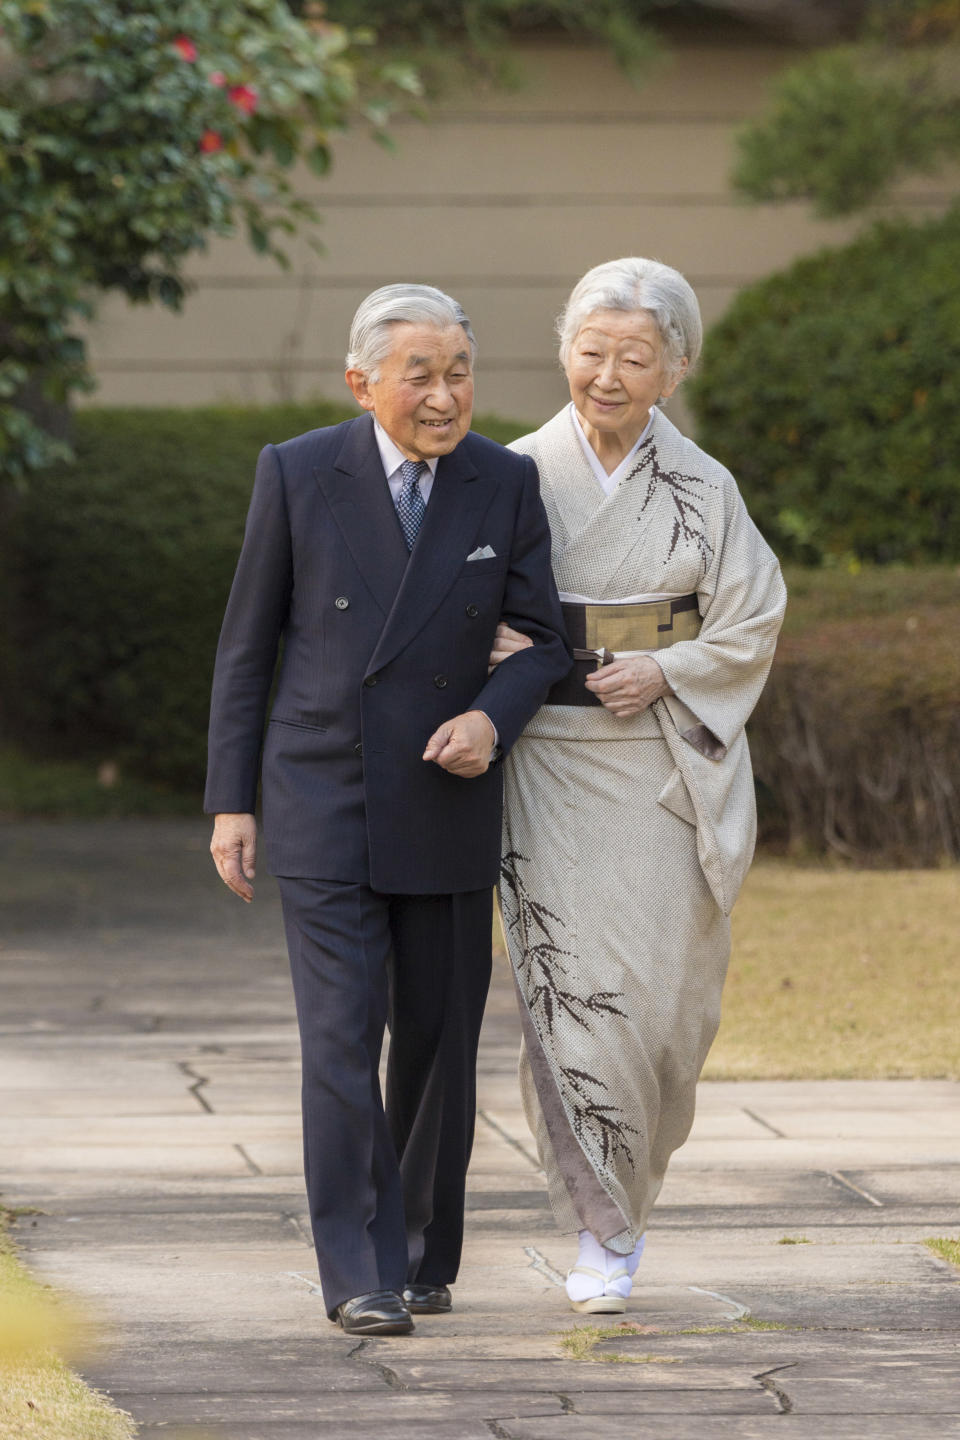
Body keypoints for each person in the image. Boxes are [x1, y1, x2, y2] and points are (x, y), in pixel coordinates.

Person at [204, 283, 570, 1336]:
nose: (446, 396)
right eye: (422, 375)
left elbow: (541, 639)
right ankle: (356, 1268)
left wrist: (492, 719)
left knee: (439, 1041)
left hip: (448, 794)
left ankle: (418, 1252)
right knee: (338, 1035)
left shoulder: (503, 481)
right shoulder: (298, 470)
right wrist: (232, 799)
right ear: (363, 383)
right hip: (323, 788)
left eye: (459, 372)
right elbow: (247, 647)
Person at [491, 257, 786, 1314]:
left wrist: (668, 667)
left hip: (662, 767)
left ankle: (632, 1200)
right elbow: (458, 596)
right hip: (550, 767)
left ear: (674, 369)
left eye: (633, 358)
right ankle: (601, 1230)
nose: (606, 375)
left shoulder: (706, 488)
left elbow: (750, 620)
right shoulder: (513, 472)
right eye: (590, 351)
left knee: (664, 1013)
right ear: (563, 352)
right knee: (579, 1007)